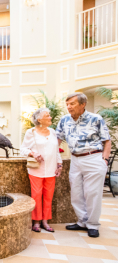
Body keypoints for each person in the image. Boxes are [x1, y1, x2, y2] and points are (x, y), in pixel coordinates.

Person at [56, 92, 112, 238]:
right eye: (67, 104)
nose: (69, 107)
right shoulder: (64, 120)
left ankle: (93, 225)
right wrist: (55, 158)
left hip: (93, 157)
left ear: (83, 104)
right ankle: (82, 221)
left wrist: (104, 160)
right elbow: (57, 140)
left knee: (92, 193)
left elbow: (107, 140)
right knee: (76, 193)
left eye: (72, 104)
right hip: (75, 159)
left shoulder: (96, 119)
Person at [20, 108, 63, 233]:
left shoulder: (53, 132)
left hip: (51, 169)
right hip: (36, 170)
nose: (50, 117)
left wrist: (59, 165)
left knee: (48, 196)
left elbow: (56, 151)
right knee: (37, 195)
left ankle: (45, 221)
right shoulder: (31, 132)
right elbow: (23, 149)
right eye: (47, 115)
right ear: (39, 119)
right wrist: (33, 153)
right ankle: (37, 221)